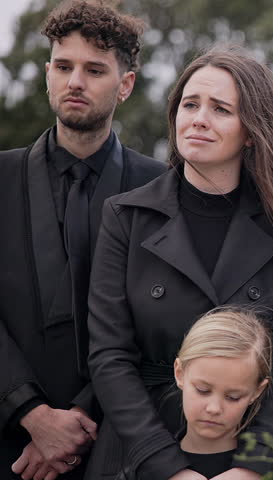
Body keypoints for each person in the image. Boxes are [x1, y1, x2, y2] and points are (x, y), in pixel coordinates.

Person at [85, 46, 273, 480]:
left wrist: (253, 466)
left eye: (220, 109)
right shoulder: (126, 217)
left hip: (249, 452)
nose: (198, 118)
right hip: (138, 453)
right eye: (190, 104)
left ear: (251, 132)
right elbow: (110, 355)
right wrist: (167, 467)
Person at [0, 2, 164, 479]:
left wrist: (77, 423)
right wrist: (30, 414)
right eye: (64, 66)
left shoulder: (159, 189)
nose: (76, 81)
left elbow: (157, 321)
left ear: (126, 85)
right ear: (47, 74)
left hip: (116, 440)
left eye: (95, 69)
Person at [172, 308, 271, 479]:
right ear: (179, 373)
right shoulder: (146, 465)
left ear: (257, 391)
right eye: (203, 390)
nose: (214, 408)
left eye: (233, 397)